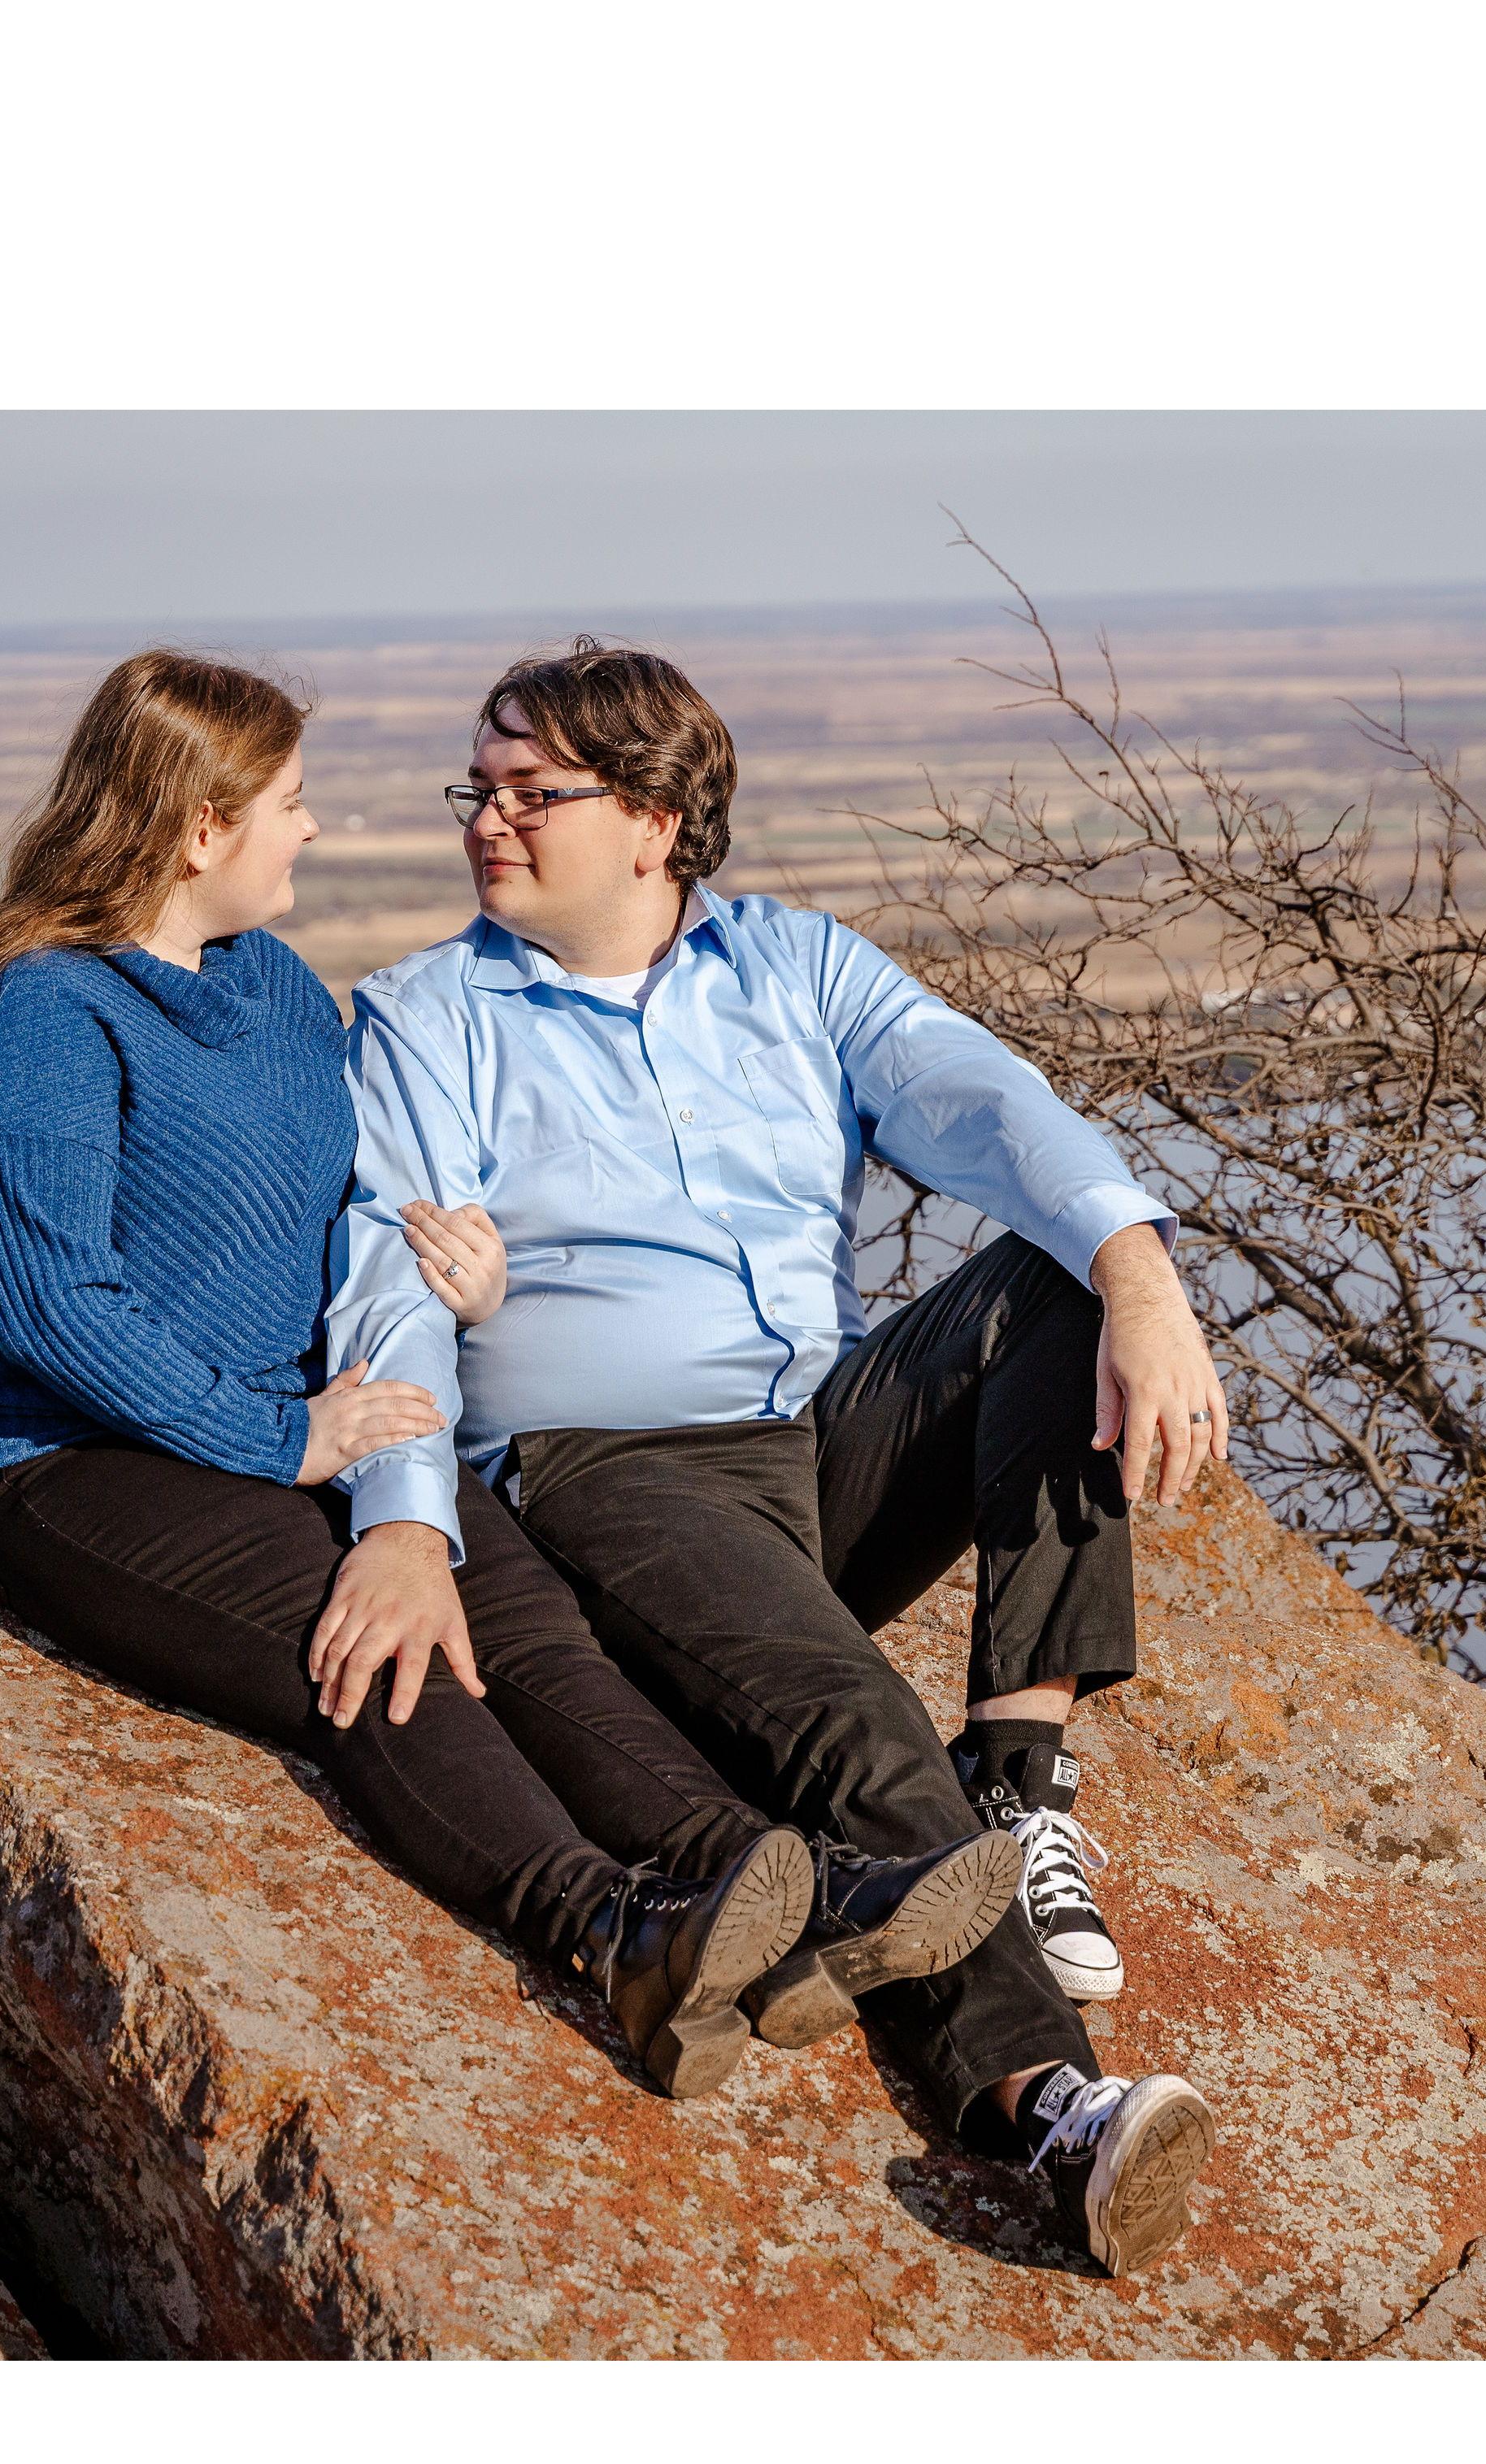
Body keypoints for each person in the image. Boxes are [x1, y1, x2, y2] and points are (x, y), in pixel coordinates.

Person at [0, 648, 1001, 2105]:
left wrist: (462, 1321)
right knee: (382, 1646)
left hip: (287, 1413)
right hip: (63, 1458)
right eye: (289, 803)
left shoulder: (268, 988)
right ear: (199, 828)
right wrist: (281, 1441)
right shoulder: (36, 1020)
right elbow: (51, 1311)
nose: (313, 828)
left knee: (524, 1620)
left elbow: (365, 1221)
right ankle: (616, 1931)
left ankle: (788, 1894)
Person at [324, 641, 1226, 2274]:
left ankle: (1021, 1780)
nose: (486, 821)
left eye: (532, 792)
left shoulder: (798, 968)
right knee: (853, 1721)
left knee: (1054, 1278)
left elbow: (985, 1102)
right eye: (480, 789)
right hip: (618, 1470)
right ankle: (1053, 2108)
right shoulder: (429, 1019)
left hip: (816, 1439)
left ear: (655, 818)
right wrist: (402, 1521)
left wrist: (1140, 1275)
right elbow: (389, 1283)